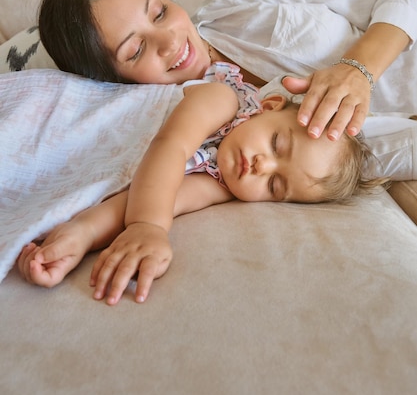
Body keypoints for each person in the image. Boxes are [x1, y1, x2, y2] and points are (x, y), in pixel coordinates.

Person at [17, 62, 383, 305]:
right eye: (276, 144)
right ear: (268, 106)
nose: (261, 166)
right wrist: (148, 226)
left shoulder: (222, 185)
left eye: (274, 185)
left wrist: (79, 235)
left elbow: (149, 198)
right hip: (67, 115)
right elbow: (169, 148)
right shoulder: (224, 99)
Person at [38, 0, 417, 163]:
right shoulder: (198, 130)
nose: (169, 41)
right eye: (135, 51)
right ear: (111, 79)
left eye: (159, 12)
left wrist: (358, 69)